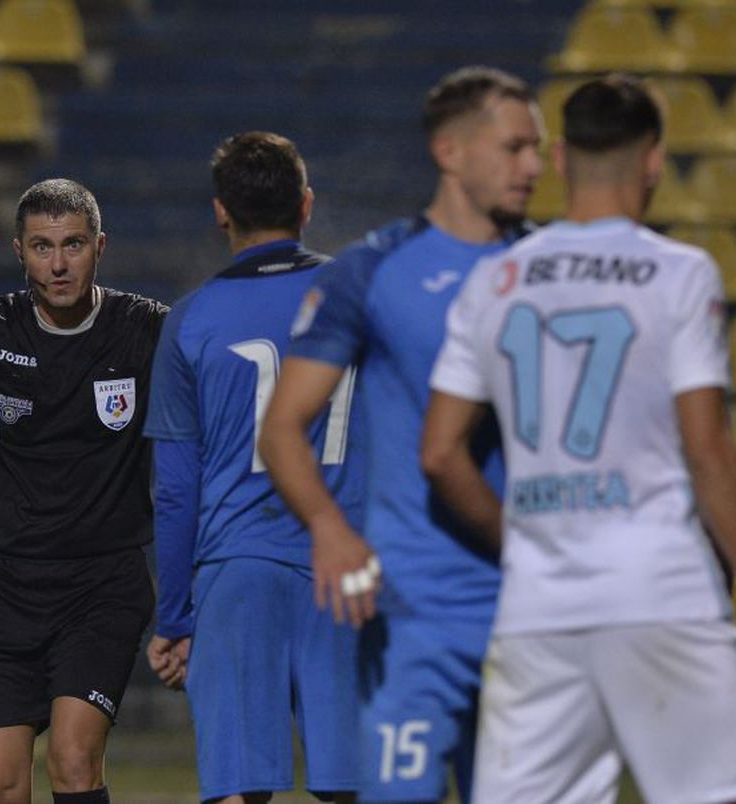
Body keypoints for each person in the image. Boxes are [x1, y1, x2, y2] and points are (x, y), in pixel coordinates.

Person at [423, 74, 736, 803]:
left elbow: (439, 453)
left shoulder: (496, 281)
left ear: (560, 159)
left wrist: (522, 537)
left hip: (537, 608)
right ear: (653, 160)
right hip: (658, 590)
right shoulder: (679, 274)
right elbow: (709, 448)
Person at [259, 66, 543, 803]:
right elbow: (284, 427)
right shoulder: (373, 271)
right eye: (514, 148)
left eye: (537, 149)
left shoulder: (553, 269)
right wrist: (327, 526)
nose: (535, 167)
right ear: (450, 152)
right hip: (415, 612)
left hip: (537, 610)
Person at [144, 132, 365, 804]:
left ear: (221, 212)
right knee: (355, 783)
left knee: (239, 787)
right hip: (347, 565)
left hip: (236, 565)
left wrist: (175, 616)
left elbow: (176, 490)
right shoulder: (360, 299)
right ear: (305, 204)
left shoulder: (190, 321)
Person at [0, 179, 168, 804]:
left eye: (73, 245)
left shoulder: (148, 332)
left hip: (100, 587)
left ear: (99, 246)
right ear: (19, 251)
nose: (57, 264)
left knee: (74, 762)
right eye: (42, 247)